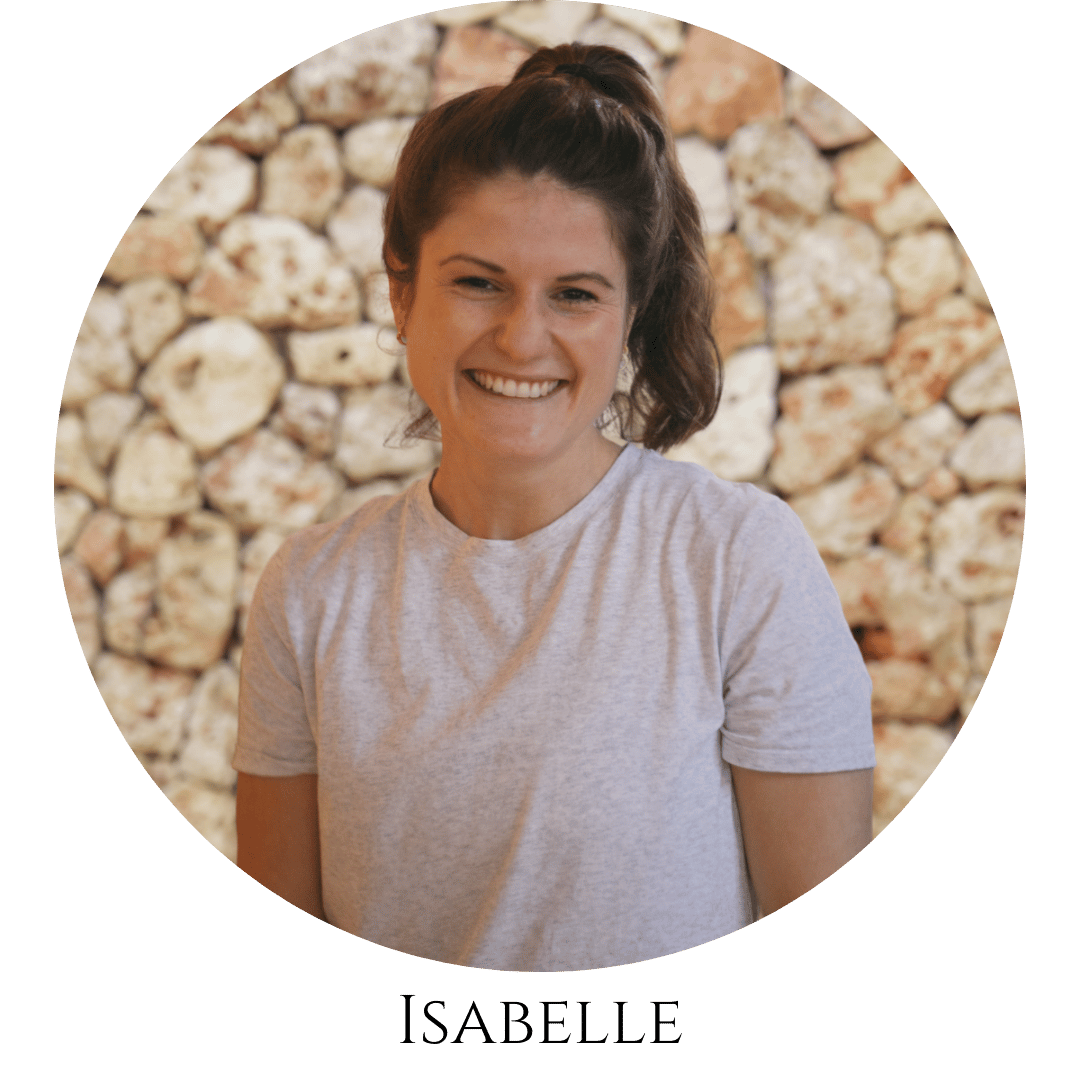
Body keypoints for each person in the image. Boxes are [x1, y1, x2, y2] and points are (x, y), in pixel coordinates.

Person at [234, 43, 875, 972]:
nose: (521, 337)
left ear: (631, 315)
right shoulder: (310, 592)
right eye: (478, 282)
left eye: (575, 295)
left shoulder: (738, 561)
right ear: (401, 291)